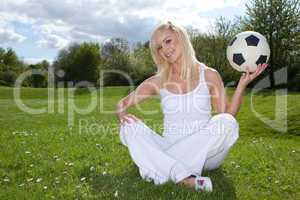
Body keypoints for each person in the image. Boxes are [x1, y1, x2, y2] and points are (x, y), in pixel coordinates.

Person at [116, 21, 268, 192]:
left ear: (181, 37)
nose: (164, 50)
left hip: (206, 155)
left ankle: (160, 166)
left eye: (168, 41)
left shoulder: (209, 75)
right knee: (129, 127)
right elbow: (122, 104)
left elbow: (227, 114)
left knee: (227, 122)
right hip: (169, 144)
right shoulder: (158, 80)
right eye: (159, 47)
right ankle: (185, 178)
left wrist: (242, 85)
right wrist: (122, 114)